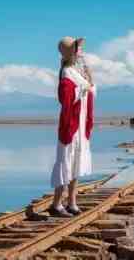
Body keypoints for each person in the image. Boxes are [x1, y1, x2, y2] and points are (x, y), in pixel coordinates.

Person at [49, 36, 96, 217]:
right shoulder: (66, 73)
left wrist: (87, 76)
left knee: (75, 163)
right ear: (71, 52)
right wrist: (82, 89)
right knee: (66, 162)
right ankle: (56, 204)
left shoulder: (77, 72)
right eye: (78, 49)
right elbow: (65, 99)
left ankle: (72, 202)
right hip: (70, 126)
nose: (81, 53)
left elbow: (90, 86)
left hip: (80, 125)